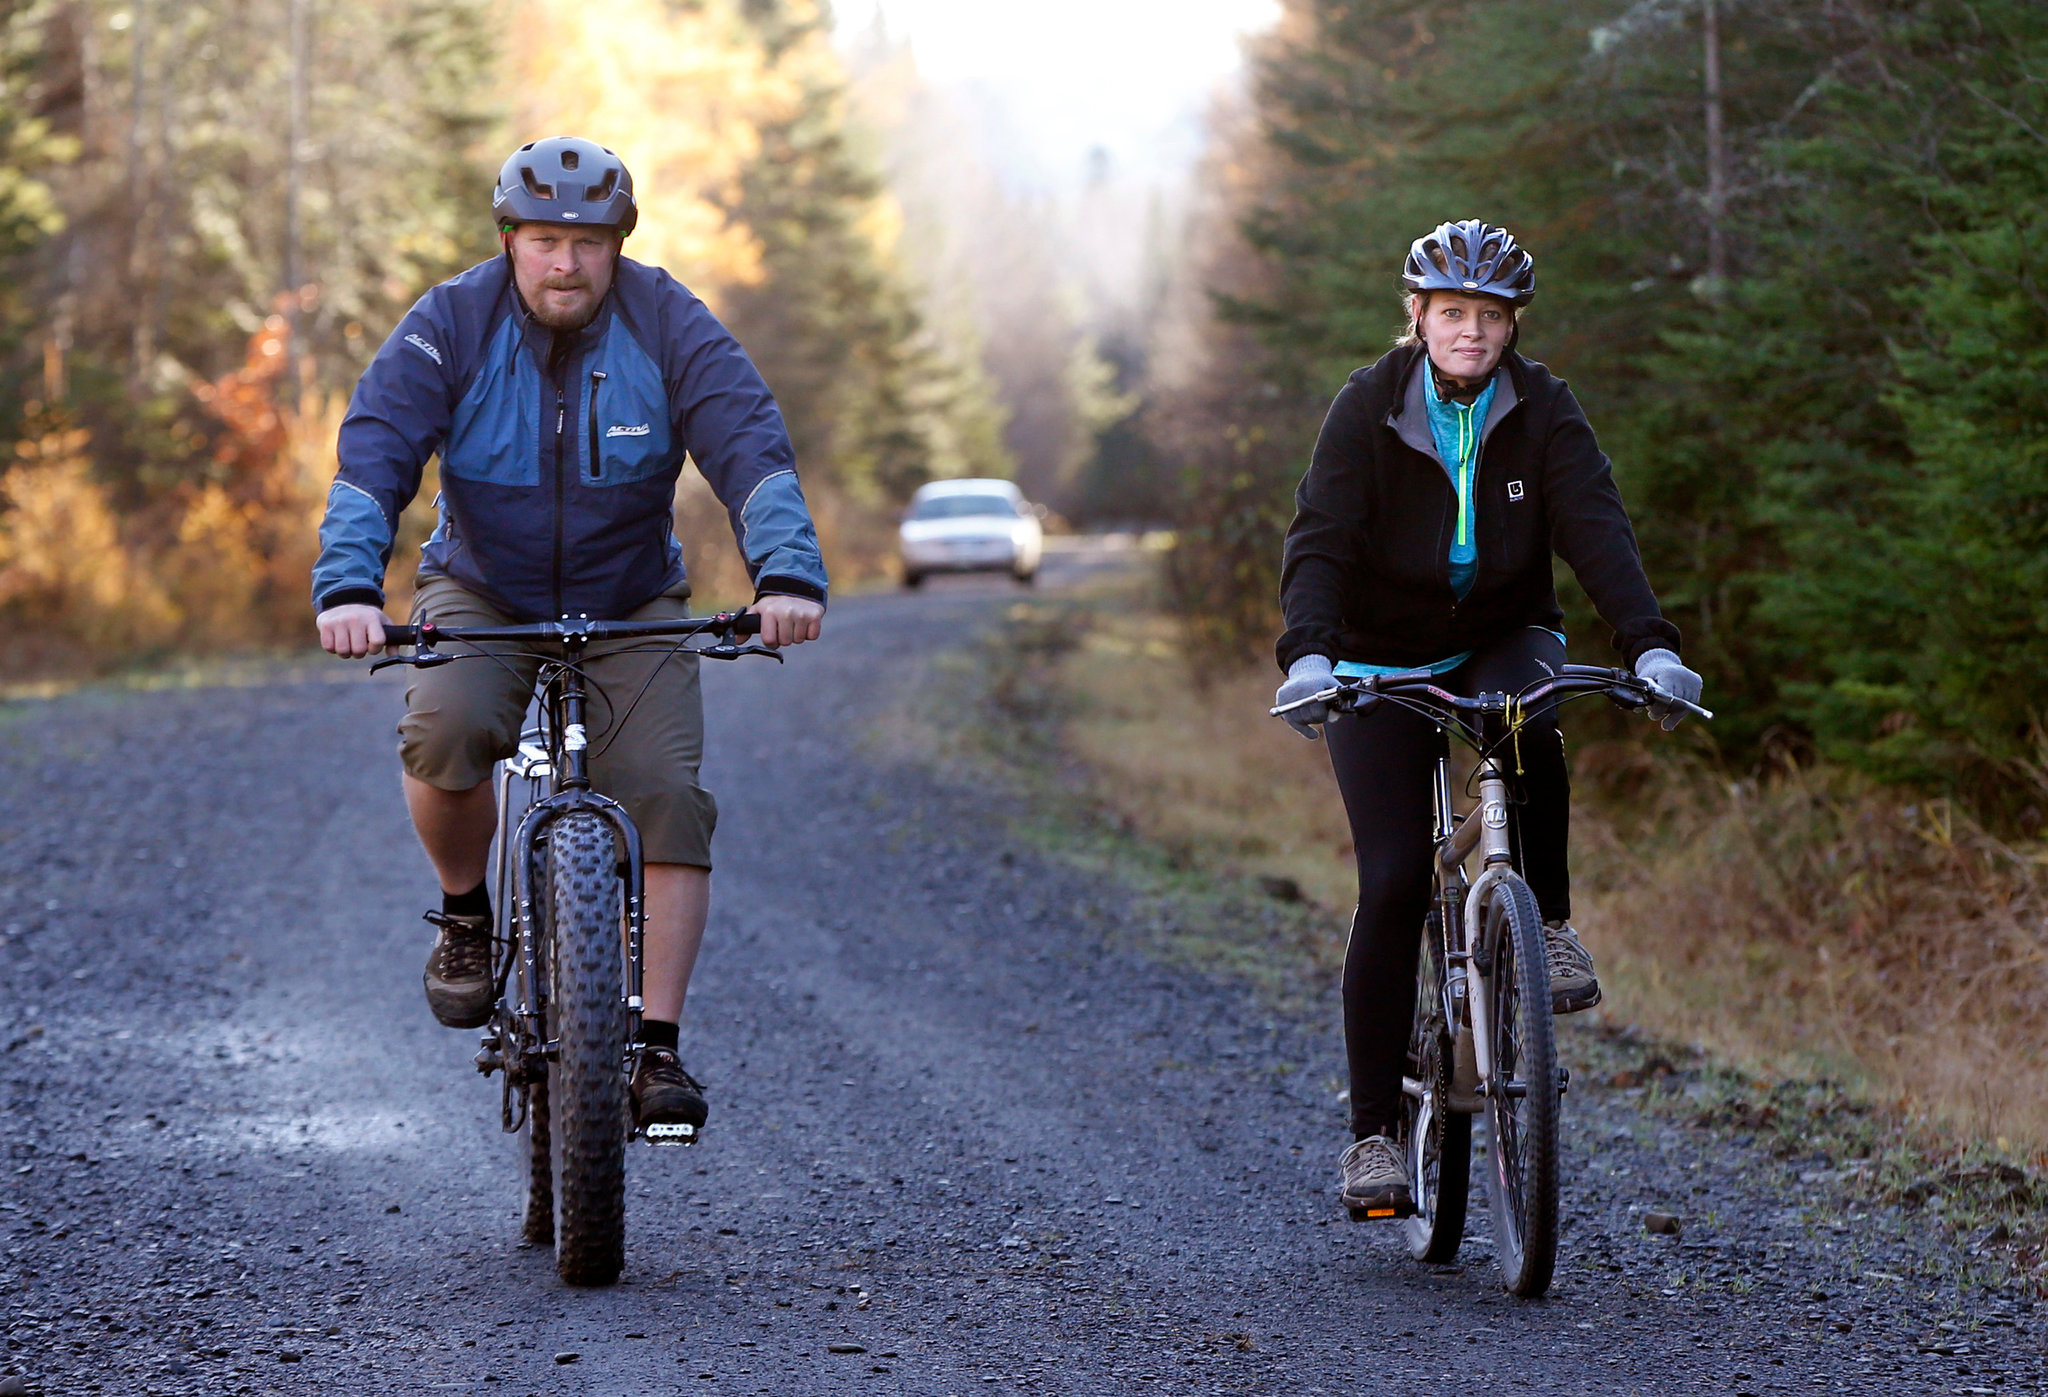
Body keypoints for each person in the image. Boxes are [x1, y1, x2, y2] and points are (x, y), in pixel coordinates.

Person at [311, 136, 827, 1138]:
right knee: (447, 729)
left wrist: (787, 574)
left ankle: (654, 1049)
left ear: (617, 247)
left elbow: (749, 446)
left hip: (632, 598)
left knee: (668, 794)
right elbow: (374, 452)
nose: (566, 263)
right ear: (509, 239)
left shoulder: (668, 321)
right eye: (545, 239)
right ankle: (465, 914)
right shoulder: (449, 322)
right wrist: (346, 586)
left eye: (588, 243)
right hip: (483, 589)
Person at [1271, 220, 1702, 1218]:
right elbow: (1320, 537)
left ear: (1512, 326)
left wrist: (1648, 643)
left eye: (1489, 315)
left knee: (1526, 717)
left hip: (1497, 634)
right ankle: (1375, 1134)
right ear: (1416, 316)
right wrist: (1308, 656)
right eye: (1451, 312)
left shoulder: (1542, 407)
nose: (1470, 331)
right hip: (1373, 654)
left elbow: (1595, 526)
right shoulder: (1366, 405)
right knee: (1388, 880)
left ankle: (1544, 923)